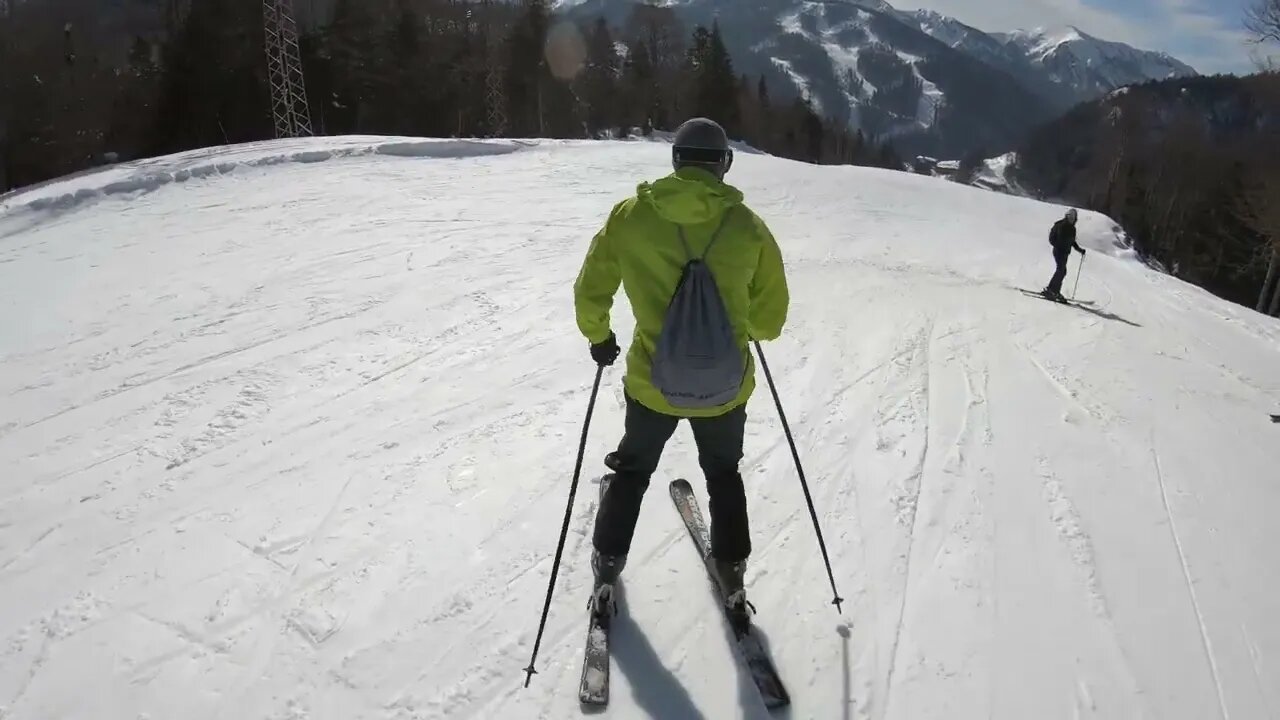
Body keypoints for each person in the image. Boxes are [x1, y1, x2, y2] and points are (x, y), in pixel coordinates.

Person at [573, 118, 790, 625]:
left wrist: (599, 337)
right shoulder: (747, 226)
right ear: (723, 164)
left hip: (651, 386)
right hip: (724, 389)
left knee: (633, 470)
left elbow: (591, 291)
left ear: (676, 161)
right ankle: (732, 570)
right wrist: (745, 328)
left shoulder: (629, 218)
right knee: (723, 473)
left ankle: (608, 563)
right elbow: (770, 320)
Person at [1043, 208, 1086, 300]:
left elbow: (1072, 241)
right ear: (1068, 217)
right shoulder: (1061, 225)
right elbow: (1054, 238)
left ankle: (1054, 290)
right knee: (1061, 270)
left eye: (1074, 219)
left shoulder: (1072, 228)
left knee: (1062, 271)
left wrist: (1079, 250)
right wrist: (1058, 246)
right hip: (1059, 251)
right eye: (1072, 218)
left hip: (1065, 252)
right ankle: (1052, 290)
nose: (1073, 220)